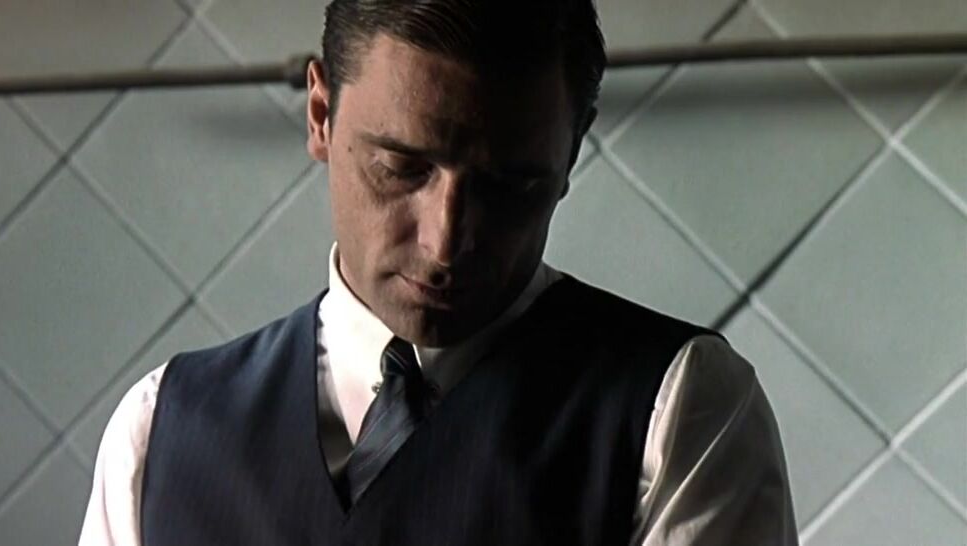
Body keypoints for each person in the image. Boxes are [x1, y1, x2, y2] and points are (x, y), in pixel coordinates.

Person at [79, 1, 797, 544]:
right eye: (401, 167)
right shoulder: (162, 428)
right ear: (321, 113)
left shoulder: (678, 412)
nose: (446, 243)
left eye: (509, 186)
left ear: (571, 154)